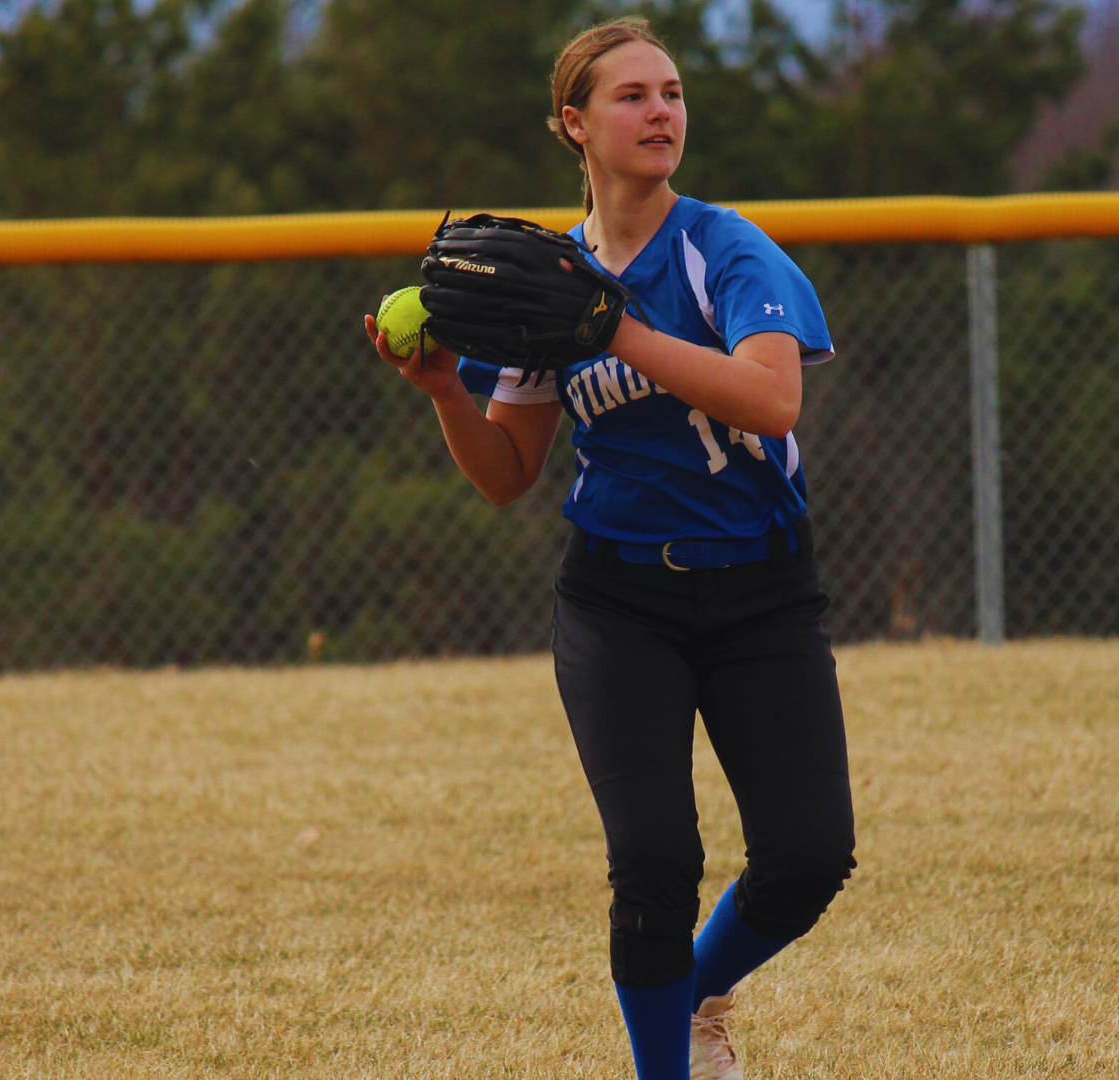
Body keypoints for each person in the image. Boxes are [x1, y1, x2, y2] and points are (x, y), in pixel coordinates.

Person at [363, 17, 855, 1080]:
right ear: (573, 125)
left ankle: (701, 994)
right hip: (618, 602)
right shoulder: (546, 281)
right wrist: (446, 388)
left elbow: (773, 400)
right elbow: (506, 475)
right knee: (653, 868)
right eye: (632, 95)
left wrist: (615, 330)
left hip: (762, 593)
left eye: (672, 92)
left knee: (810, 859)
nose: (662, 110)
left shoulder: (724, 250)